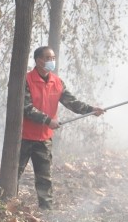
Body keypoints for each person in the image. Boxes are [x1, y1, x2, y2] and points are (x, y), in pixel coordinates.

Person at [19, 46, 105, 210]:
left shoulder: (57, 82)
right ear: (38, 61)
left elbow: (71, 102)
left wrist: (90, 110)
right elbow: (26, 107)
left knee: (45, 178)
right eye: (48, 58)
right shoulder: (26, 80)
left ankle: (46, 211)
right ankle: (6, 204)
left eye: (53, 58)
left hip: (44, 138)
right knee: (14, 174)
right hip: (23, 136)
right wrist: (47, 120)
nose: (52, 61)